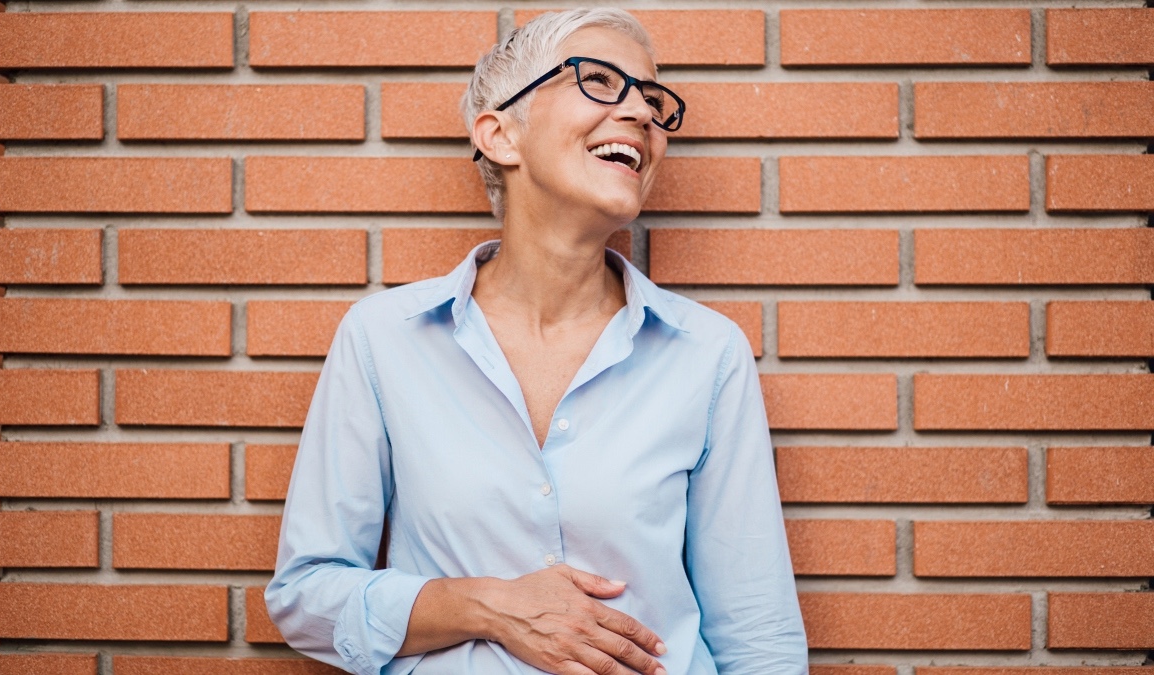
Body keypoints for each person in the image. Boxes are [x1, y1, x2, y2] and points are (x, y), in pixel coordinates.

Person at [265, 8, 808, 675]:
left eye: (653, 99)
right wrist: (488, 606)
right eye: (601, 81)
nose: (641, 112)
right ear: (500, 134)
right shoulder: (384, 340)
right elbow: (306, 594)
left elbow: (759, 635)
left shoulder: (708, 354)